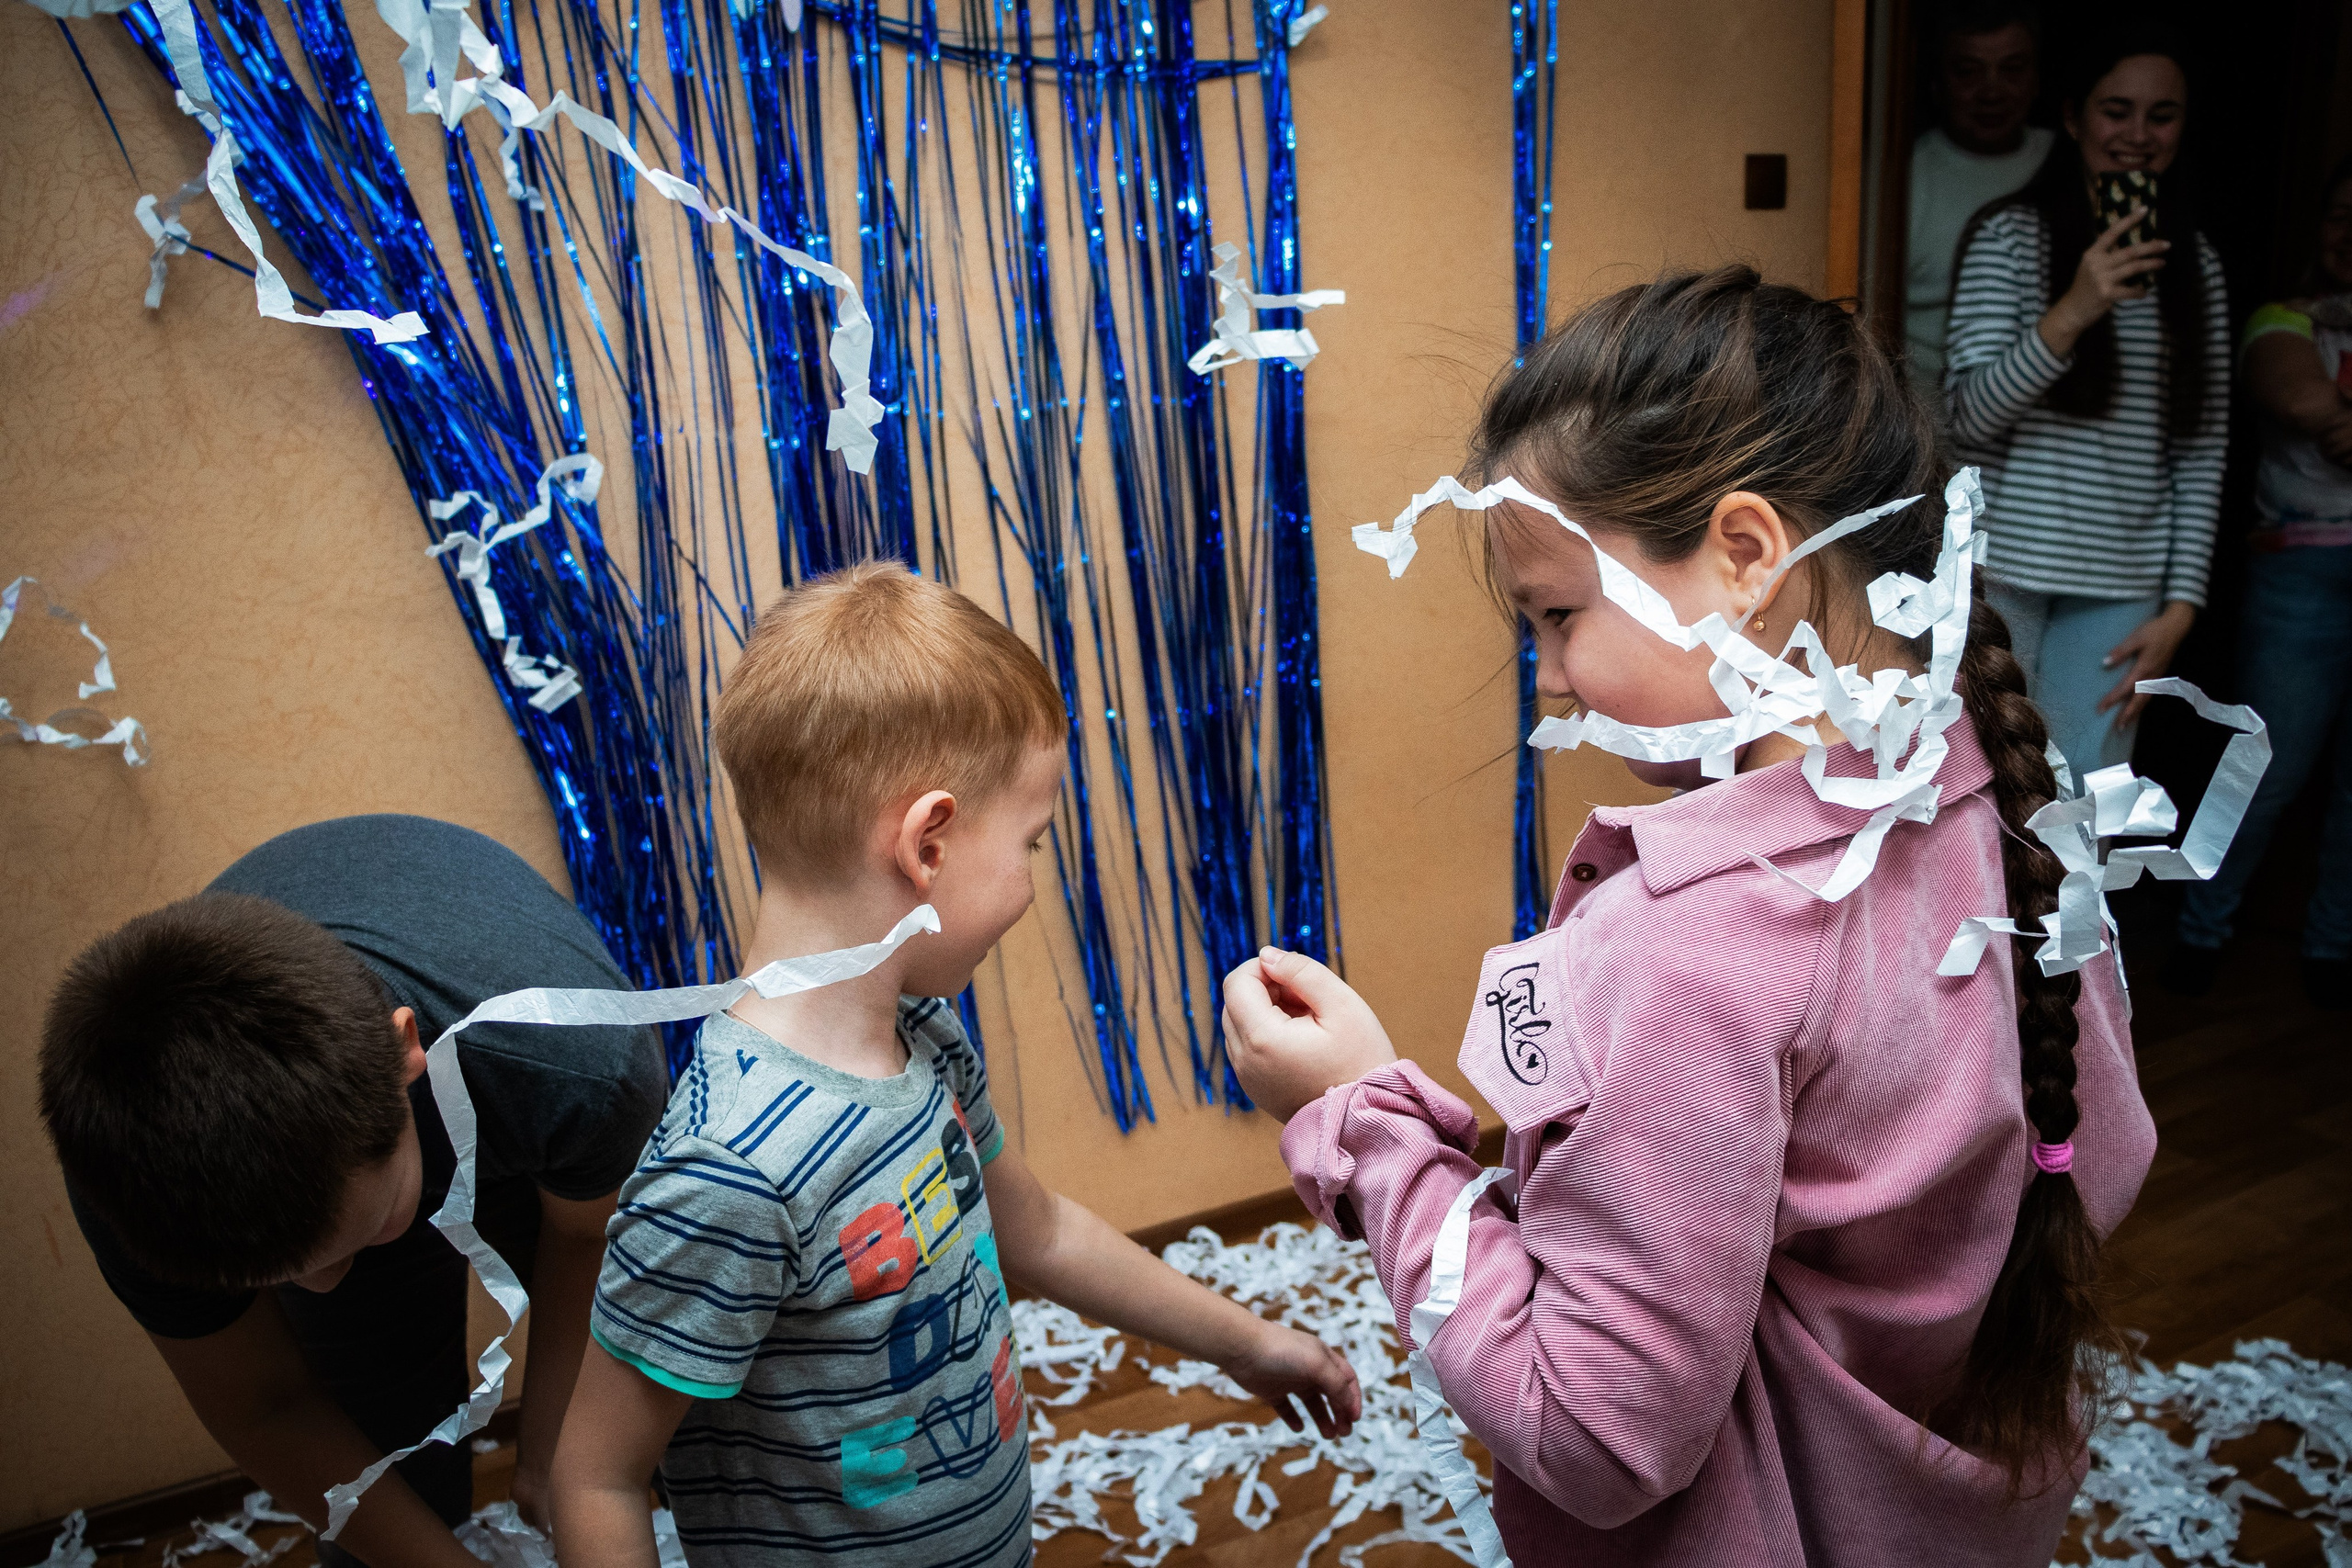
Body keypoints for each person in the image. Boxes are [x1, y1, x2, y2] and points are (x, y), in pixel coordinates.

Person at [1222, 269, 2156, 1565]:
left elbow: (1591, 1433)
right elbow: (2099, 1153)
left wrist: (1366, 1120)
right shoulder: (2002, 779)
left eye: (1559, 615)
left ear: (1744, 556)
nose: (1547, 680)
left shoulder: (1685, 947)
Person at [548, 565, 1363, 1568]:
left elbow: (1042, 1231)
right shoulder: (726, 1172)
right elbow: (597, 1479)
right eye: (1030, 841)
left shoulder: (924, 1035)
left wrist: (1246, 1342)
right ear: (928, 843)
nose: (1030, 881)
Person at [40, 816, 670, 1568]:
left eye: (355, 1239)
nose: (323, 1285)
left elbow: (585, 1237)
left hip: (515, 1101)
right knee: (386, 1463)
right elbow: (266, 1407)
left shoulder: (576, 1061)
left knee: (611, 1450)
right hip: (381, 1149)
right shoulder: (130, 1178)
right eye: (279, 1278)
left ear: (405, 1054)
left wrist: (555, 1460)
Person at [1944, 21, 2229, 777]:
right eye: (2116, 110)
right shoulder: (2008, 236)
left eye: (2160, 115)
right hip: (2004, 571)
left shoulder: (2196, 264)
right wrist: (2075, 308)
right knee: (1987, 790)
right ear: (2073, 118)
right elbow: (1966, 419)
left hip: (2125, 589)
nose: (2137, 134)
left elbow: (2201, 450)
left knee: (2089, 804)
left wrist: (2182, 607)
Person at [2171, 155, 2352, 1009]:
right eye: (2340, 214)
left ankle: (2334, 943)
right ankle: (2201, 931)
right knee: (2264, 767)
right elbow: (2305, 407)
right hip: (2300, 571)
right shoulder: (2283, 318)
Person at [1905, 3, 2054, 403]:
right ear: (1938, 82)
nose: (1991, 91)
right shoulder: (1902, 179)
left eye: (2012, 69)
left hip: (2054, 426)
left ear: (2037, 77)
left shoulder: (2068, 163)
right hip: (1930, 419)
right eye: (1968, 72)